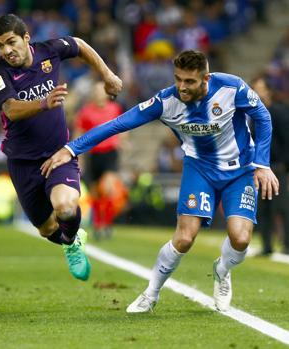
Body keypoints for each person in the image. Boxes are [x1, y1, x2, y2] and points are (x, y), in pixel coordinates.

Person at [41, 50, 279, 312]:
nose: (182, 87)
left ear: (206, 78)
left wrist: (262, 164)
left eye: (189, 81)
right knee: (185, 238)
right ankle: (150, 293)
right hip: (199, 169)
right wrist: (72, 148)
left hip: (241, 169)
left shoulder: (232, 88)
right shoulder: (166, 101)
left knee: (241, 238)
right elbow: (117, 124)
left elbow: (263, 117)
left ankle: (222, 270)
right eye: (178, 79)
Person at [0, 14, 122, 281]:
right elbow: (11, 109)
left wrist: (107, 75)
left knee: (66, 208)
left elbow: (80, 44)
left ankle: (71, 242)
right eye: (0, 45)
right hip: (22, 161)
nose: (6, 51)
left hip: (58, 153)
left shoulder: (50, 51)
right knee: (47, 228)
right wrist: (43, 103)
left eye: (11, 42)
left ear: (26, 38)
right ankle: (72, 241)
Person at [74, 81, 125, 240]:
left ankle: (107, 223)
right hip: (93, 154)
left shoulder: (114, 109)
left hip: (110, 153)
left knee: (108, 188)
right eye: (95, 91)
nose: (98, 94)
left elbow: (124, 126)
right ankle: (98, 224)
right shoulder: (85, 111)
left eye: (101, 91)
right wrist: (79, 157)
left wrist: (123, 140)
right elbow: (79, 133)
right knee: (95, 193)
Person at [251, 77, 289, 255]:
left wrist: (284, 165)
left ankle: (287, 245)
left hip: (277, 167)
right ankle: (267, 246)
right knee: (264, 208)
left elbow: (287, 139)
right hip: (260, 168)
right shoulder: (253, 116)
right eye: (255, 88)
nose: (257, 92)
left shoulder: (279, 112)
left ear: (269, 91)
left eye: (260, 88)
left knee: (282, 207)